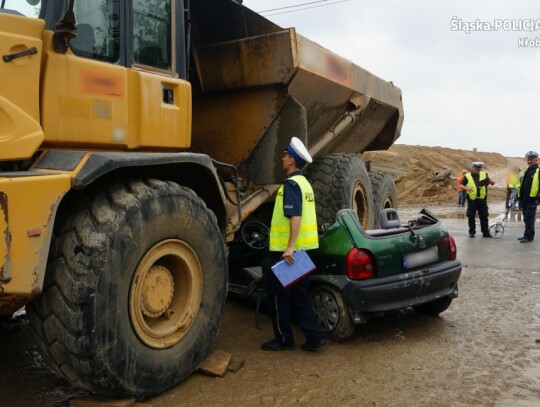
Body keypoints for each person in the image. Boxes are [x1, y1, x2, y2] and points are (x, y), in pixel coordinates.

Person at [260, 137, 326, 352]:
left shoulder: (290, 184)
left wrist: (289, 247)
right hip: (305, 250)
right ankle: (315, 337)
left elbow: (295, 216)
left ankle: (283, 340)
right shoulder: (305, 183)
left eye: (285, 155)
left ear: (291, 161)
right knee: (299, 295)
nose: (282, 158)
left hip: (288, 254)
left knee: (278, 297)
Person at [459, 161, 495, 238]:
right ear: (472, 168)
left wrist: (490, 181)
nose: (478, 171)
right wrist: (467, 188)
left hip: (482, 200)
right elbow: (460, 185)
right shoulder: (467, 176)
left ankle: (485, 232)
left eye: (479, 169)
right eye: (476, 169)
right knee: (471, 216)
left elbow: (492, 183)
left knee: (484, 216)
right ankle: (472, 232)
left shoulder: (484, 174)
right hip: (472, 200)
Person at [517, 151, 540, 243]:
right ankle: (528, 235)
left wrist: (538, 198)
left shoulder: (538, 171)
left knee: (529, 218)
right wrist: (519, 196)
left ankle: (528, 236)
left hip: (532, 200)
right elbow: (523, 185)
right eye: (528, 159)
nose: (529, 161)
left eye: (531, 159)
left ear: (536, 160)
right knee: (527, 218)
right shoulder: (527, 171)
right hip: (524, 199)